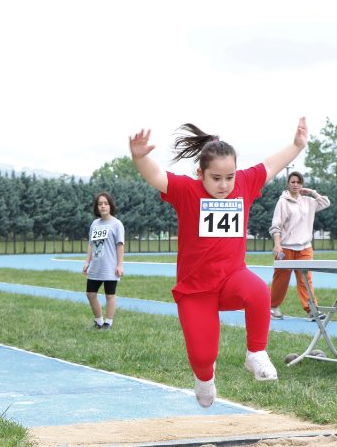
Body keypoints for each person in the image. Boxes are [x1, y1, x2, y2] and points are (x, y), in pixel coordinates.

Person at [128, 117, 308, 408]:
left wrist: (297, 145)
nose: (224, 185)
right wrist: (140, 157)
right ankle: (204, 379)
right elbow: (157, 176)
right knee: (202, 356)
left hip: (231, 279)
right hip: (196, 289)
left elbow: (271, 164)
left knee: (259, 291)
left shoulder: (246, 184)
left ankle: (256, 353)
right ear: (200, 173)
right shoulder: (187, 190)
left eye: (230, 177)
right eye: (216, 178)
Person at [268, 171, 331, 321]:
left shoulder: (308, 201)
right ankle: (272, 306)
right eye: (293, 182)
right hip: (286, 248)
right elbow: (276, 226)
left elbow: (325, 203)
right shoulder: (283, 202)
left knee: (306, 279)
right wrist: (277, 245)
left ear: (302, 184)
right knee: (281, 279)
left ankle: (312, 310)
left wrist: (312, 192)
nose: (296, 185)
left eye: (298, 182)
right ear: (288, 184)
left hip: (305, 248)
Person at [83, 192, 125, 330]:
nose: (103, 206)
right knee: (90, 293)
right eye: (100, 204)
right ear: (97, 207)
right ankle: (98, 321)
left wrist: (119, 265)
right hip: (96, 266)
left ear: (110, 206)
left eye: (105, 203)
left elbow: (120, 245)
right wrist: (87, 262)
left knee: (110, 295)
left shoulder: (117, 224)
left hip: (110, 267)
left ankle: (108, 323)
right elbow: (91, 244)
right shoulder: (94, 224)